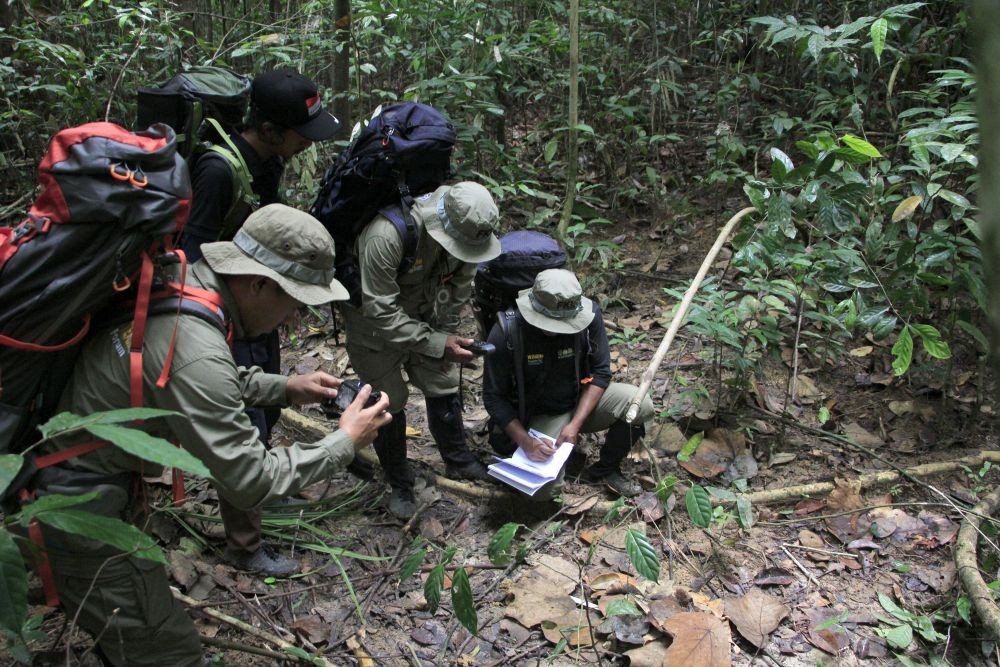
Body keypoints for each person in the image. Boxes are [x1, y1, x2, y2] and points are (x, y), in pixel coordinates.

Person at [25, 205, 391, 666]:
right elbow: (248, 480)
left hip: (71, 474)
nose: (295, 319)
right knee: (171, 651)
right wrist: (343, 442)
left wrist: (284, 388)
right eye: (295, 303)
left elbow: (182, 376)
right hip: (76, 506)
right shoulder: (197, 347)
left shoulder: (183, 280)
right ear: (257, 283)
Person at [179, 68, 343, 576]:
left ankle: (262, 496)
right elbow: (190, 251)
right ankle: (246, 545)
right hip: (221, 306)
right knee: (243, 425)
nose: (304, 143)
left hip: (254, 299)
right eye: (300, 133)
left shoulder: (268, 162)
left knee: (265, 405)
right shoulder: (219, 170)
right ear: (269, 128)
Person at [339, 181, 502, 519]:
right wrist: (436, 342)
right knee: (390, 398)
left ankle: (458, 460)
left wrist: (444, 339)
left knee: (442, 383)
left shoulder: (470, 238)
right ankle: (399, 481)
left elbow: (457, 289)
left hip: (427, 317)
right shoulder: (387, 236)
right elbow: (380, 312)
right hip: (373, 328)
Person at [482, 268, 655, 500]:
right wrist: (526, 441)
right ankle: (558, 457)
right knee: (542, 492)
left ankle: (606, 470)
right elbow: (493, 397)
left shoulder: (590, 316)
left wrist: (575, 424)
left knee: (639, 403)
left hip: (580, 399)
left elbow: (601, 373)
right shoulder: (507, 331)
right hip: (538, 415)